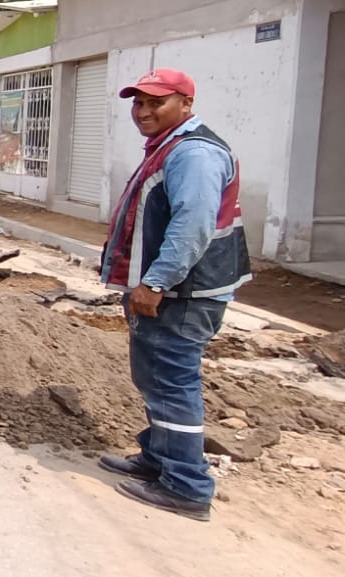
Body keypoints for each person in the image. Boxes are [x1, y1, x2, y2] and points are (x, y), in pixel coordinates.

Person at [97, 67, 251, 522]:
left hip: (181, 294)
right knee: (157, 380)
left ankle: (186, 485)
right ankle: (159, 459)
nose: (143, 111)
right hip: (171, 291)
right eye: (138, 103)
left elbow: (192, 226)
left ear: (185, 103)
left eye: (155, 102)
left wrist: (156, 282)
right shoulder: (170, 147)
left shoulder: (194, 154)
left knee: (173, 384)